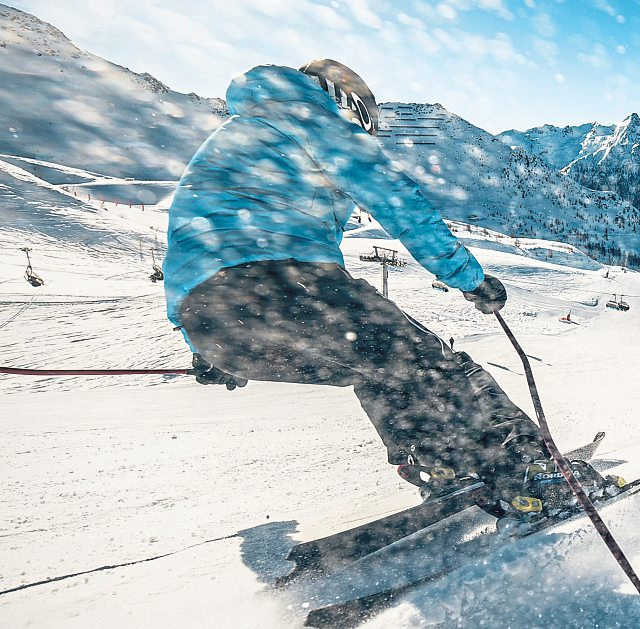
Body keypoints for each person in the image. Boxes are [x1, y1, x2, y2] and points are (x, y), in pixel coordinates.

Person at [163, 59, 558, 512]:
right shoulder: (312, 118)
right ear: (344, 101)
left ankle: (438, 462)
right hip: (289, 285)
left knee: (377, 367)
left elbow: (186, 246)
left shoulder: (230, 139)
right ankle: (526, 470)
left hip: (212, 316)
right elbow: (398, 202)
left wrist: (208, 343)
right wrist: (469, 279)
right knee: (433, 363)